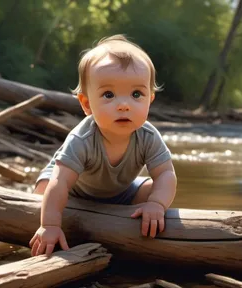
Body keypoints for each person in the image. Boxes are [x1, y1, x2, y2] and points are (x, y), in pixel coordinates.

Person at [29, 35, 177, 257]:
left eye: (136, 94)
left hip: (119, 190)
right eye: (109, 95)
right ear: (87, 104)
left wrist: (156, 204)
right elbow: (60, 183)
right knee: (45, 189)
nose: (124, 105)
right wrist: (50, 225)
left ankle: (121, 218)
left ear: (150, 100)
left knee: (150, 189)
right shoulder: (82, 139)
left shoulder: (147, 135)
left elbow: (166, 173)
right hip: (74, 189)